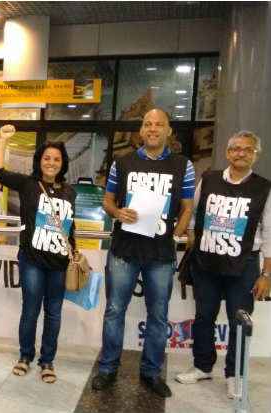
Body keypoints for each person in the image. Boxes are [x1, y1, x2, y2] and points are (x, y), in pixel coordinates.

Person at [91, 108, 195, 398]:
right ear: (141, 130)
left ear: (168, 131)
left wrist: (175, 236)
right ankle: (108, 368)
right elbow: (108, 201)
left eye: (159, 124)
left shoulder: (182, 165)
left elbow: (187, 207)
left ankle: (151, 372)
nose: (153, 129)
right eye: (148, 124)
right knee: (114, 311)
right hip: (124, 250)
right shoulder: (122, 163)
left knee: (158, 316)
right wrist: (117, 211)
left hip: (161, 255)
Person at [175, 130, 271, 398]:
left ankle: (235, 375)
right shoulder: (209, 179)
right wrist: (193, 238)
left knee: (239, 321)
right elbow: (193, 215)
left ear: (255, 155)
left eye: (247, 149)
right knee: (204, 317)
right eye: (236, 148)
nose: (241, 153)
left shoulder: (264, 188)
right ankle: (202, 366)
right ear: (228, 153)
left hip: (244, 266)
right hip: (206, 263)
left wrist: (266, 274)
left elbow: (270, 234)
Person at [0, 125, 76, 383]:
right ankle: (25, 356)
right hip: (32, 261)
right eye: (47, 158)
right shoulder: (28, 184)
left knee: (54, 313)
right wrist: (3, 140)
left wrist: (75, 253)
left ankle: (47, 360)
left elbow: (70, 227)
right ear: (39, 161)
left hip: (60, 264)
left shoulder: (69, 191)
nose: (51, 163)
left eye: (56, 159)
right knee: (30, 310)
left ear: (63, 164)